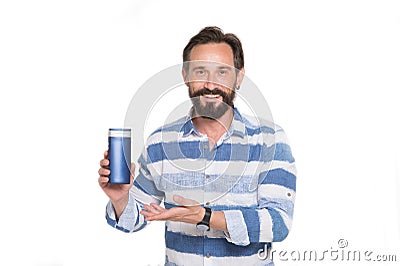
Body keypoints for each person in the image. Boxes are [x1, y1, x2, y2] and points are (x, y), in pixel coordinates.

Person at [98, 26, 296, 266]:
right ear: (185, 76)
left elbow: (278, 223)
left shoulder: (270, 139)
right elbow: (134, 220)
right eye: (201, 71)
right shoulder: (160, 143)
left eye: (222, 72)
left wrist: (207, 217)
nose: (211, 84)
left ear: (239, 77)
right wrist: (120, 200)